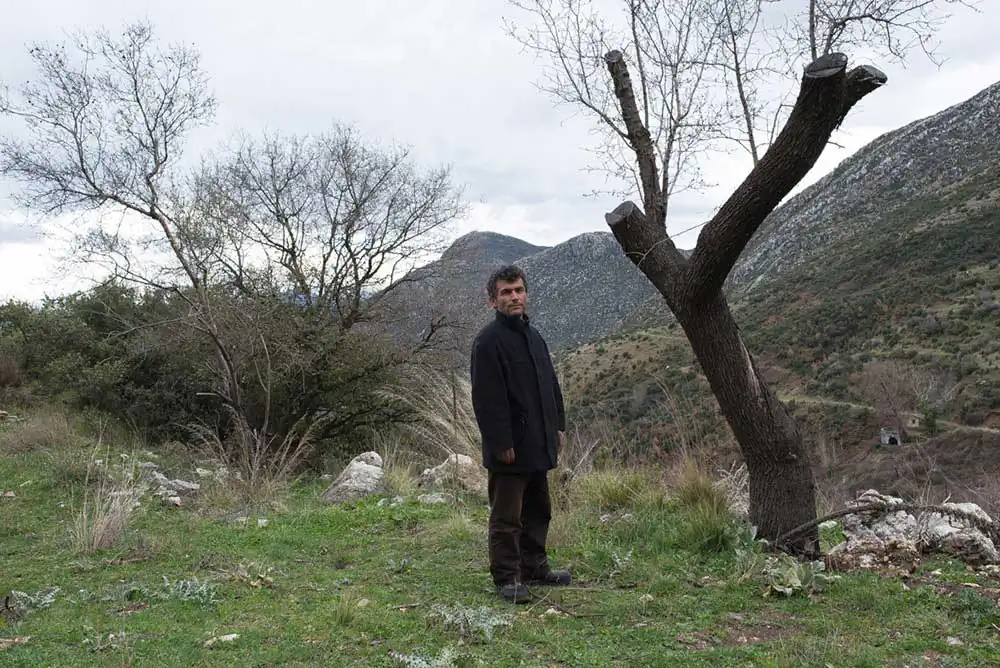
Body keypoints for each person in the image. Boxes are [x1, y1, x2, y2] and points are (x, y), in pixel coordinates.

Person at [470, 264, 571, 603]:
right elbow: (486, 400)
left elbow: (551, 386)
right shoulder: (488, 342)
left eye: (518, 290)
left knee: (539, 510)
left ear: (526, 294)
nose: (514, 297)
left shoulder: (534, 336)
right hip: (510, 448)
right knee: (507, 516)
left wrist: (558, 425)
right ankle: (507, 578)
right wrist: (500, 442)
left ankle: (535, 568)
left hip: (539, 442)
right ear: (493, 301)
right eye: (506, 292)